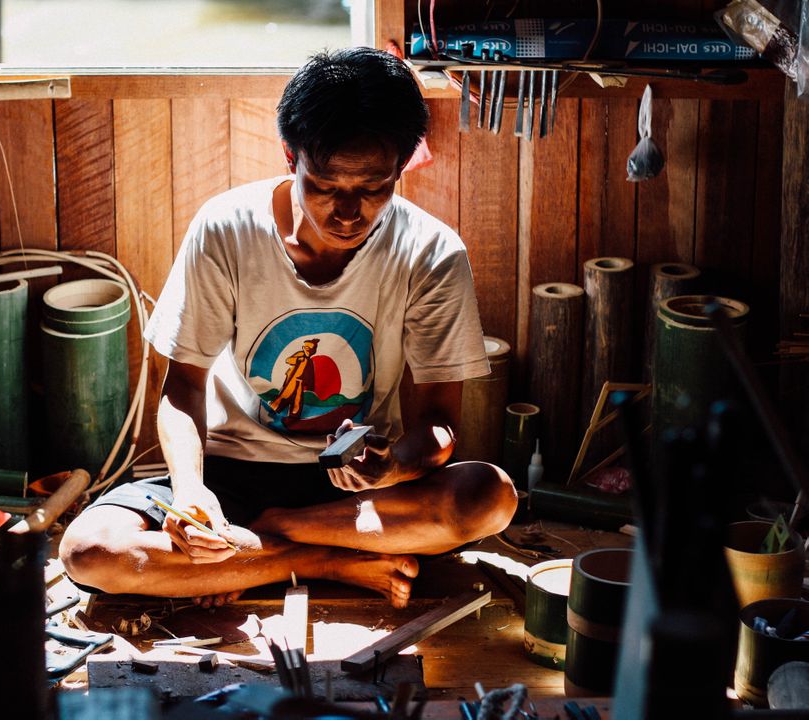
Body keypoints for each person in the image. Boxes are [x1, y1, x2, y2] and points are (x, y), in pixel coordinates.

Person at [60, 47, 517, 609]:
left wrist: (394, 465)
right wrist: (190, 491)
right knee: (89, 550)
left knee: (489, 498)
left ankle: (259, 550)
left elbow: (440, 425)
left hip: (350, 497)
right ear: (289, 157)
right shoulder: (227, 227)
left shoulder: (432, 252)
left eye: (373, 188)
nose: (348, 213)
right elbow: (181, 390)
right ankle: (322, 561)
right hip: (231, 475)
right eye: (325, 186)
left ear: (401, 167)